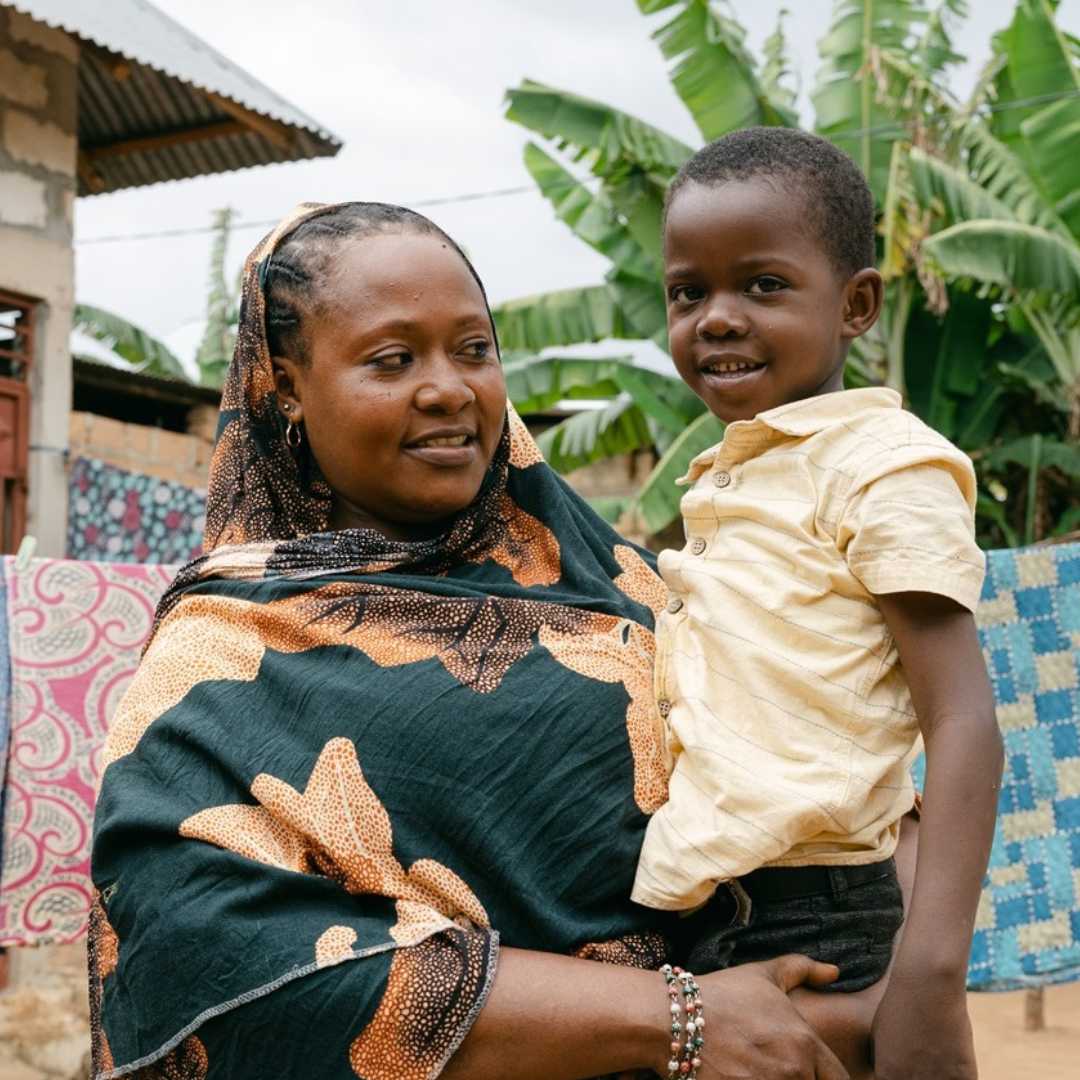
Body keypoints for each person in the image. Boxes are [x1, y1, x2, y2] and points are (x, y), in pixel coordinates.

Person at [90, 199, 908, 1080]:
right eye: (392, 359)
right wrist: (674, 1018)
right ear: (287, 384)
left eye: (473, 349)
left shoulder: (624, 583)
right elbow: (199, 958)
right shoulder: (219, 657)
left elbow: (842, 746)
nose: (449, 388)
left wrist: (892, 988)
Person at [631, 127, 1004, 1080]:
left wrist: (928, 976)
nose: (715, 318)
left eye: (762, 285)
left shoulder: (881, 467)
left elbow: (962, 717)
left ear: (857, 306)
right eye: (689, 291)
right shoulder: (734, 478)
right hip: (703, 914)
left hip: (822, 912)